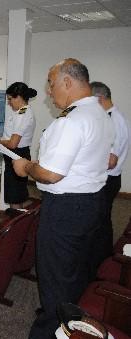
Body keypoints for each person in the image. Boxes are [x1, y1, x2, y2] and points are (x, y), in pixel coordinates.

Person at [12, 58, 114, 339]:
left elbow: (51, 174)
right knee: (76, 269)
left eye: (51, 83)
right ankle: (70, 314)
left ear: (68, 82)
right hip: (92, 202)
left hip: (66, 209)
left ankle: (53, 327)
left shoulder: (72, 120)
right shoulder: (100, 114)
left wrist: (27, 166)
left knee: (56, 276)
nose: (48, 90)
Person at [90, 81, 130, 268]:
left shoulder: (114, 120)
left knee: (101, 222)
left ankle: (101, 261)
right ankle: (102, 257)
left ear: (99, 98)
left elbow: (110, 161)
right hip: (106, 178)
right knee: (101, 220)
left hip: (108, 179)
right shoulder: (109, 117)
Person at [0, 82, 37, 209]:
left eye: (10, 99)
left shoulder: (23, 114)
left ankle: (15, 225)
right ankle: (19, 222)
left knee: (14, 195)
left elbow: (13, 143)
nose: (9, 102)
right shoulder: (21, 112)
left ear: (19, 97)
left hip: (16, 154)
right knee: (17, 192)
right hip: (17, 154)